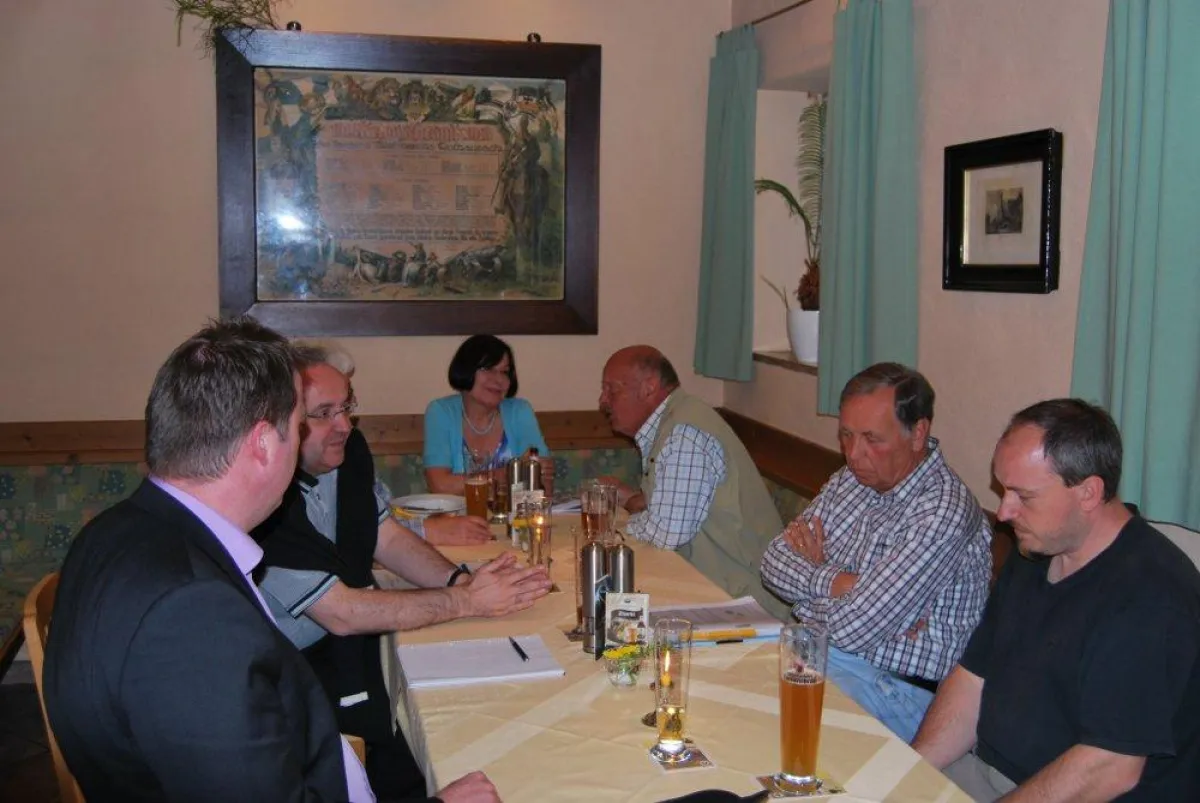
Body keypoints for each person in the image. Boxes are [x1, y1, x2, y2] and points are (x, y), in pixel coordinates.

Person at [42, 319, 368, 800]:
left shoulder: (113, 530)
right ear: (262, 444)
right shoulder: (191, 613)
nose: (300, 444)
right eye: (297, 428)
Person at [255, 343, 551, 801]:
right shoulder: (265, 497)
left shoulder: (347, 453)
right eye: (324, 413)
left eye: (347, 407)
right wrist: (468, 601)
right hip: (291, 684)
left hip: (350, 661)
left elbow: (385, 536)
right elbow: (342, 613)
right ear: (282, 421)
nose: (345, 426)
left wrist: (462, 581)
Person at [912, 399, 1200, 802]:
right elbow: (973, 679)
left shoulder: (1150, 598)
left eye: (1023, 496)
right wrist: (907, 774)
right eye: (1002, 489)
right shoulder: (1038, 548)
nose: (1004, 512)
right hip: (988, 773)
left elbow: (1111, 766)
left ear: (1088, 493)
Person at [760, 362, 992, 743]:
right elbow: (771, 562)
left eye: (872, 439)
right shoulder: (853, 480)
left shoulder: (942, 511)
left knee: (774, 728)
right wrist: (839, 583)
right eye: (846, 435)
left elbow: (853, 629)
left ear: (918, 433)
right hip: (830, 655)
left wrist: (813, 589)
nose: (854, 454)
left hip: (902, 690)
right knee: (730, 688)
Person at [597, 345, 789, 619]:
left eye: (611, 390)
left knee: (615, 622)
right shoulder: (676, 422)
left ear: (649, 387)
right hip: (710, 591)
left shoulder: (684, 434)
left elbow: (666, 533)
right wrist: (634, 502)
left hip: (741, 603)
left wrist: (613, 532)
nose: (603, 400)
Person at [424, 334, 552, 495]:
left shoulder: (520, 411)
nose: (499, 380)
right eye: (488, 369)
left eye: (505, 372)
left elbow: (544, 489)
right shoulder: (441, 411)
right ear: (466, 369)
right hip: (457, 519)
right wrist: (511, 472)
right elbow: (441, 486)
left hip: (515, 518)